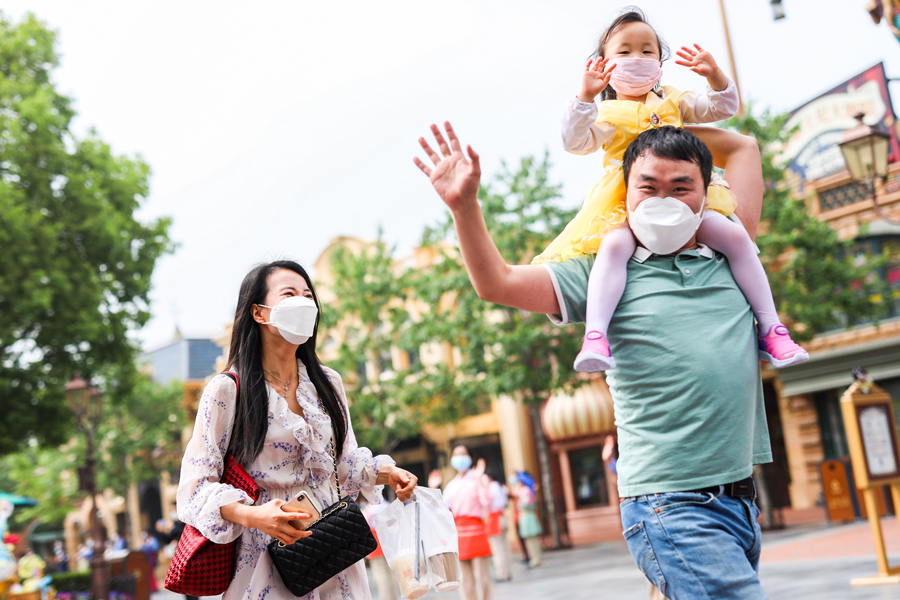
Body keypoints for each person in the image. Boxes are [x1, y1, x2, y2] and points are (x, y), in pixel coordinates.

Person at [414, 122, 771, 599]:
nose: (664, 198)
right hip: (671, 504)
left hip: (741, 498)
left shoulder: (733, 252)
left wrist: (658, 116)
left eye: (681, 187)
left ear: (707, 192)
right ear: (625, 192)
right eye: (648, 186)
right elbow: (496, 283)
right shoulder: (606, 271)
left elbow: (744, 146)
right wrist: (464, 208)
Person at [530, 8, 806, 373]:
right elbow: (575, 141)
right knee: (614, 247)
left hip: (683, 200)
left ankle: (771, 328)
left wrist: (714, 75)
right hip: (629, 204)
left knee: (735, 237)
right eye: (624, 51)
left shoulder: (673, 100)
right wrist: (584, 95)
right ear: (604, 65)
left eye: (647, 51)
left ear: (660, 63)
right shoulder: (608, 115)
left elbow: (721, 107)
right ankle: (596, 336)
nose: (637, 58)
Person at [176, 260, 418, 599]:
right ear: (258, 312)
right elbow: (196, 486)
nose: (304, 302)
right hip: (266, 554)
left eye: (308, 295)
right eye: (290, 294)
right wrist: (254, 515)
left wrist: (389, 473)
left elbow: (344, 465)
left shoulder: (327, 382)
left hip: (334, 547)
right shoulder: (227, 389)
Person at [428, 446, 492, 600]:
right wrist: (433, 488)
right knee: (464, 578)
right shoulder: (452, 485)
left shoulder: (479, 478)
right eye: (456, 454)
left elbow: (487, 501)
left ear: (471, 457)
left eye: (463, 454)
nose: (459, 457)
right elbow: (442, 510)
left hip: (476, 529)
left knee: (482, 575)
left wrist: (479, 479)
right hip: (458, 533)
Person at [509, 473, 542, 568]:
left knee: (532, 539)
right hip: (524, 515)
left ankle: (536, 558)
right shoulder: (524, 490)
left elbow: (526, 502)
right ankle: (534, 557)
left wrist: (518, 497)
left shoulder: (525, 490)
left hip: (527, 515)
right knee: (529, 539)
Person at [484, 471, 511, 582]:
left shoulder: (490, 488)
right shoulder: (501, 487)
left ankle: (501, 574)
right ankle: (507, 572)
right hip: (502, 517)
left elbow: (486, 503)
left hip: (495, 519)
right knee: (504, 547)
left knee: (497, 548)